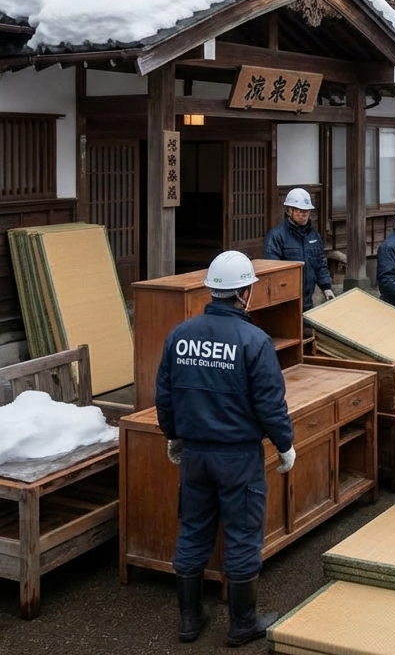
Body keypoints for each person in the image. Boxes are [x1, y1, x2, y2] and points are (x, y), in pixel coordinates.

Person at [155, 251, 295, 647]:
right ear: (245, 293)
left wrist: (174, 436)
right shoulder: (255, 341)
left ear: (212, 291)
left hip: (195, 455)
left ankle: (188, 620)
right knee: (242, 534)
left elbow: (164, 394)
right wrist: (285, 445)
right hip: (238, 457)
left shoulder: (179, 336)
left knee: (194, 530)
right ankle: (242, 624)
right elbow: (270, 403)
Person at [263, 187, 334, 311]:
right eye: (299, 211)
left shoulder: (314, 235)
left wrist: (326, 287)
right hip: (285, 299)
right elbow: (272, 268)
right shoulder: (276, 236)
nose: (303, 215)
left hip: (308, 298)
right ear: (288, 211)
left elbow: (320, 263)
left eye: (306, 211)